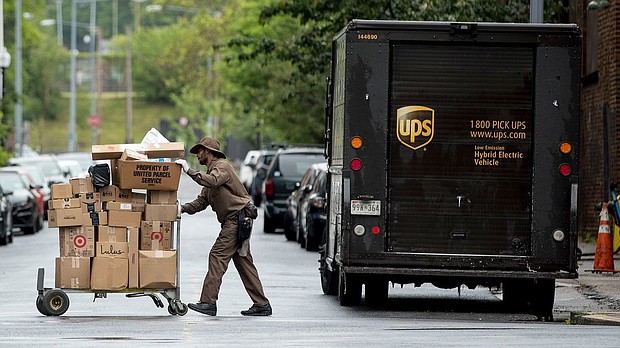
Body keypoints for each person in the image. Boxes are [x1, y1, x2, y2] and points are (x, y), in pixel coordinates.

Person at [175, 137, 272, 316]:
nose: (197, 154)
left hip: (237, 219)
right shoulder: (212, 173)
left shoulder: (222, 167)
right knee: (244, 262)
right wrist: (181, 209)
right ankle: (261, 304)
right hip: (236, 220)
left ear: (208, 152)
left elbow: (212, 181)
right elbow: (201, 202)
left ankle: (208, 302)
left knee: (217, 255)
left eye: (199, 151)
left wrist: (188, 171)